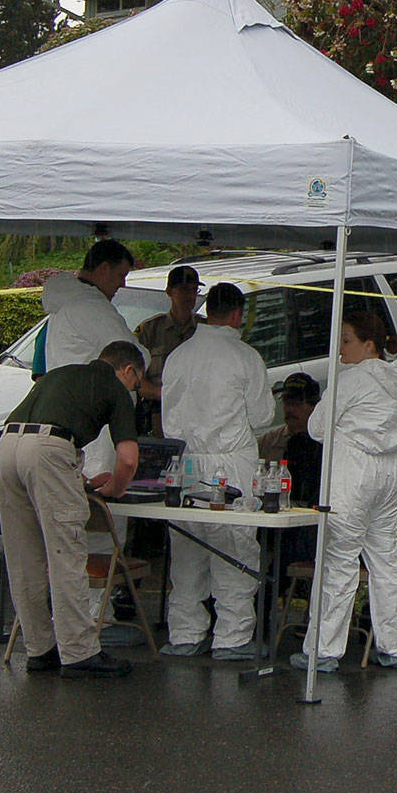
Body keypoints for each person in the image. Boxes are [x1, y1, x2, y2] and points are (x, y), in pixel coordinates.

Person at [0, 340, 144, 679]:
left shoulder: (59, 375)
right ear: (128, 370)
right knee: (66, 554)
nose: (133, 391)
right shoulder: (114, 387)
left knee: (24, 557)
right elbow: (128, 459)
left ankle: (39, 649)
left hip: (7, 447)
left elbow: (43, 435)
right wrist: (114, 488)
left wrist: (80, 480)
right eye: (135, 384)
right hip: (49, 451)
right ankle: (79, 653)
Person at [293, 311, 397, 674]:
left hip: (354, 470)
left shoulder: (350, 379)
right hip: (390, 470)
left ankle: (324, 649)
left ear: (368, 345)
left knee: (339, 558)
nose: (341, 348)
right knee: (385, 556)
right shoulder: (396, 380)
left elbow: (317, 427)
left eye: (347, 340)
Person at [158, 283, 274, 660]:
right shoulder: (245, 356)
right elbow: (263, 416)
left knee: (187, 550)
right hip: (231, 462)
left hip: (188, 462)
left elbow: (168, 417)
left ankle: (185, 633)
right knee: (234, 549)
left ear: (208, 311)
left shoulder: (179, 356)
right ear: (238, 314)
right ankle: (232, 637)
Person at [39, 239, 140, 373]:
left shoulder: (65, 302)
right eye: (121, 276)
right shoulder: (92, 306)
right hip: (90, 385)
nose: (123, 284)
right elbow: (132, 357)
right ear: (104, 269)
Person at [130, 265, 203, 438]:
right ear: (169, 291)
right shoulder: (150, 330)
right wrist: (164, 394)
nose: (190, 296)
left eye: (194, 290)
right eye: (183, 289)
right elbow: (134, 378)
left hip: (199, 415)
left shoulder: (205, 329)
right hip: (158, 415)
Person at [257, 372, 323, 507]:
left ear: (314, 405)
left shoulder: (328, 441)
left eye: (297, 404)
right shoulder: (268, 442)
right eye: (286, 402)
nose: (290, 409)